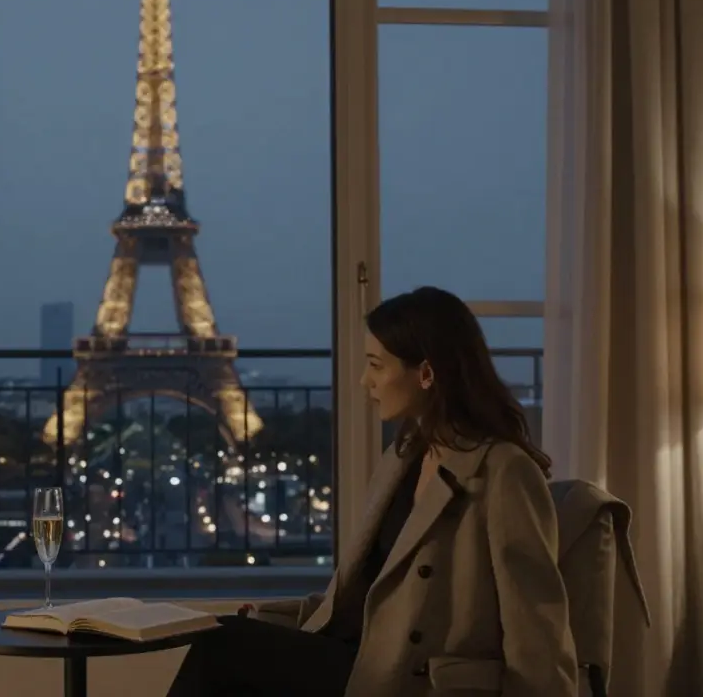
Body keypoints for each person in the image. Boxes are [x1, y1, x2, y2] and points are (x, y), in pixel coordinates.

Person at [166, 286, 577, 697]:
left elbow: (535, 625)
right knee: (223, 638)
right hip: (362, 656)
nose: (366, 381)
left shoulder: (504, 471)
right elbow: (363, 593)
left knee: (221, 644)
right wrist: (273, 615)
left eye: (376, 366)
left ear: (427, 374)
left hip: (414, 679)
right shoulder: (401, 457)